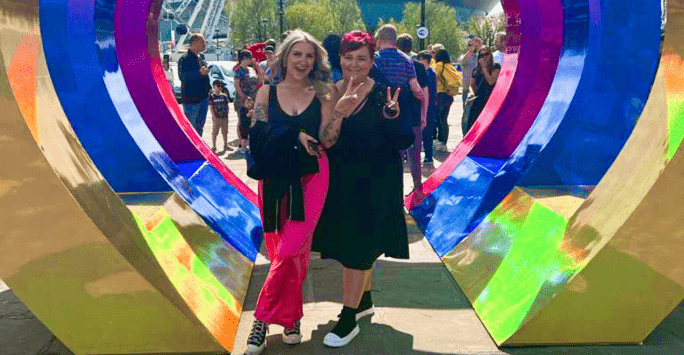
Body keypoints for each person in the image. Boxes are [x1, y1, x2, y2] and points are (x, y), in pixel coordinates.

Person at [313, 30, 407, 348]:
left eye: (362, 58)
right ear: (340, 59)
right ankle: (364, 299)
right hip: (340, 183)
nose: (355, 65)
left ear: (371, 61)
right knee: (351, 248)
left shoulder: (385, 94)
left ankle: (348, 317)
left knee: (358, 249)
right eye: (349, 58)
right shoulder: (329, 93)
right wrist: (339, 111)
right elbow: (324, 141)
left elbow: (403, 140)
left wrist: (392, 118)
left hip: (376, 183)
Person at [245, 29, 334, 355]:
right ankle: (292, 318)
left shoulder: (323, 92)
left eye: (309, 55)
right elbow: (258, 139)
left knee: (290, 248)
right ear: (285, 56)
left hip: (313, 175)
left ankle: (261, 320)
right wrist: (296, 136)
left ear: (316, 61)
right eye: (297, 54)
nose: (303, 61)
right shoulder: (266, 93)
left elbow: (327, 139)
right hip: (274, 177)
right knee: (282, 251)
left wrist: (337, 112)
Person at [396, 33, 428, 191]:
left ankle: (398, 190)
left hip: (398, 116)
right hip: (415, 115)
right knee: (415, 154)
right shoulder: (418, 66)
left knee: (398, 156)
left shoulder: (395, 63)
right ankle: (417, 187)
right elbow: (425, 93)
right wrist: (425, 114)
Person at [178, 33, 211, 135]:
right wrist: (199, 73)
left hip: (204, 97)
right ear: (194, 43)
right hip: (191, 100)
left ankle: (198, 148)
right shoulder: (185, 59)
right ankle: (190, 150)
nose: (204, 44)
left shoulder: (201, 57)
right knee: (191, 129)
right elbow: (183, 77)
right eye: (202, 42)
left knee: (200, 127)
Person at [465, 47, 501, 133]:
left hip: (490, 99)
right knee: (474, 125)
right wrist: (472, 93)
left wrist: (484, 68)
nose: (484, 57)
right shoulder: (476, 69)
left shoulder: (495, 67)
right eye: (481, 55)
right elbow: (471, 85)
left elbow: (491, 81)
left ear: (490, 55)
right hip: (478, 100)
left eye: (486, 54)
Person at [234, 49, 262, 155]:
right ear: (244, 58)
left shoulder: (251, 69)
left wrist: (258, 68)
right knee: (243, 122)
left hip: (253, 99)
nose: (251, 59)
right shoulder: (239, 70)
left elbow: (259, 81)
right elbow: (237, 85)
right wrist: (244, 97)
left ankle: (250, 144)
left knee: (252, 121)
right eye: (250, 57)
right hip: (243, 100)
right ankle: (242, 145)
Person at [433, 49, 461, 149]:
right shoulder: (450, 66)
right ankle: (444, 142)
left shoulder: (439, 65)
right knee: (444, 119)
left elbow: (433, 76)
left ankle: (441, 141)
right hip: (448, 95)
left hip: (440, 94)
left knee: (439, 119)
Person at [416, 50, 438, 165]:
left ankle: (428, 156)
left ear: (424, 60)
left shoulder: (428, 73)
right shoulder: (430, 73)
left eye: (419, 60)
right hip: (429, 106)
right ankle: (427, 155)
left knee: (427, 133)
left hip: (428, 107)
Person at [460, 36, 482, 134]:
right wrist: (471, 50)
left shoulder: (482, 56)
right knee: (467, 114)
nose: (472, 46)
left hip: (479, 89)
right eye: (469, 45)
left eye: (474, 44)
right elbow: (463, 62)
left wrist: (480, 46)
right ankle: (465, 134)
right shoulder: (465, 57)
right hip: (467, 91)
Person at [209, 80, 231, 152]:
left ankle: (225, 145)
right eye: (218, 86)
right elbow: (211, 107)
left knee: (225, 132)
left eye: (221, 86)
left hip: (224, 117)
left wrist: (227, 114)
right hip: (217, 117)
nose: (220, 88)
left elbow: (227, 106)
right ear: (214, 87)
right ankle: (214, 146)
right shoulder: (212, 96)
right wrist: (214, 117)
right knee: (215, 132)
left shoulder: (224, 96)